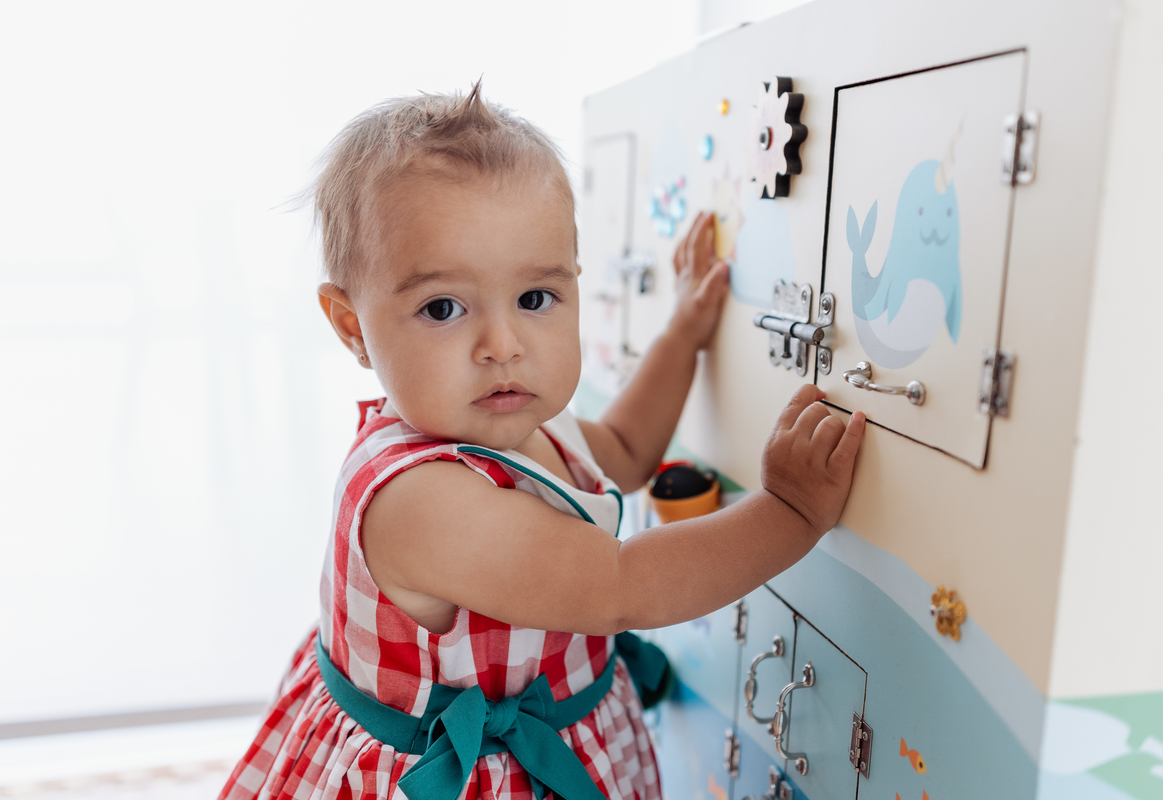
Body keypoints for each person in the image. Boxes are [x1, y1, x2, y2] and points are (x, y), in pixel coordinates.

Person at [220, 83, 866, 800]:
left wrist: (683, 335)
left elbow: (622, 447)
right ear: (351, 327)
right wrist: (791, 512)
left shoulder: (514, 417)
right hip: (464, 775)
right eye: (443, 308)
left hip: (552, 730)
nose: (504, 346)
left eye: (535, 299)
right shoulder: (422, 500)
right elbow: (622, 587)